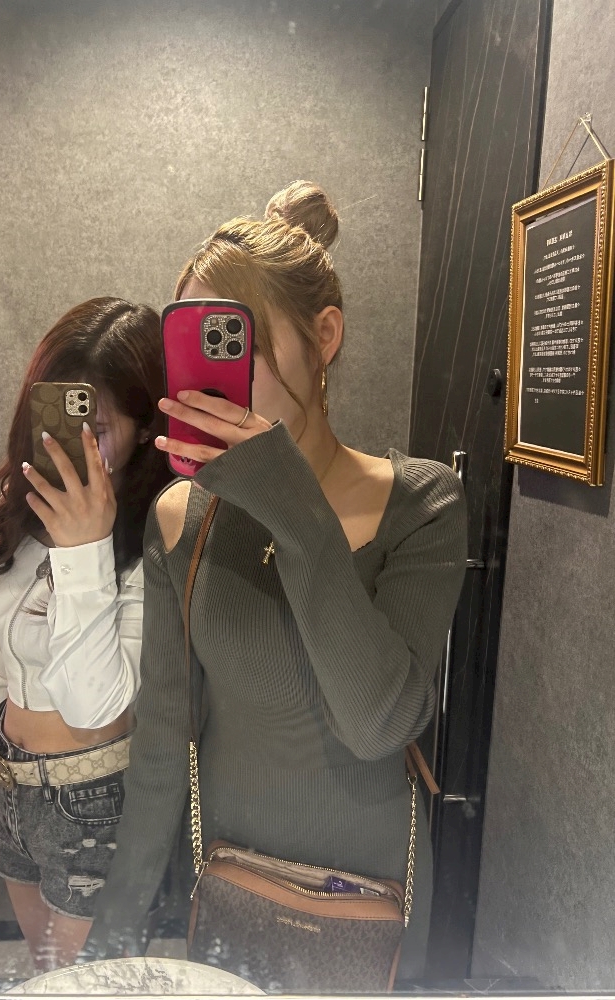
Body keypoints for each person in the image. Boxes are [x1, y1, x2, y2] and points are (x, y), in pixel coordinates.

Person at [83, 182, 468, 984]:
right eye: (197, 348)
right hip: (232, 892)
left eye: (236, 343)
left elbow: (378, 721)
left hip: (372, 904)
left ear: (324, 336)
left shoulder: (423, 503)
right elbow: (161, 747)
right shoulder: (179, 519)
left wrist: (293, 506)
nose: (212, 378)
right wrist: (108, 948)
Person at [0, 297, 172, 970]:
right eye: (52, 422)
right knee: (47, 974)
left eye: (97, 429)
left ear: (144, 427)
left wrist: (85, 551)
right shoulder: (23, 521)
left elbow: (92, 706)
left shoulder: (157, 544)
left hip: (96, 801)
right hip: (9, 780)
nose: (65, 447)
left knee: (91, 987)